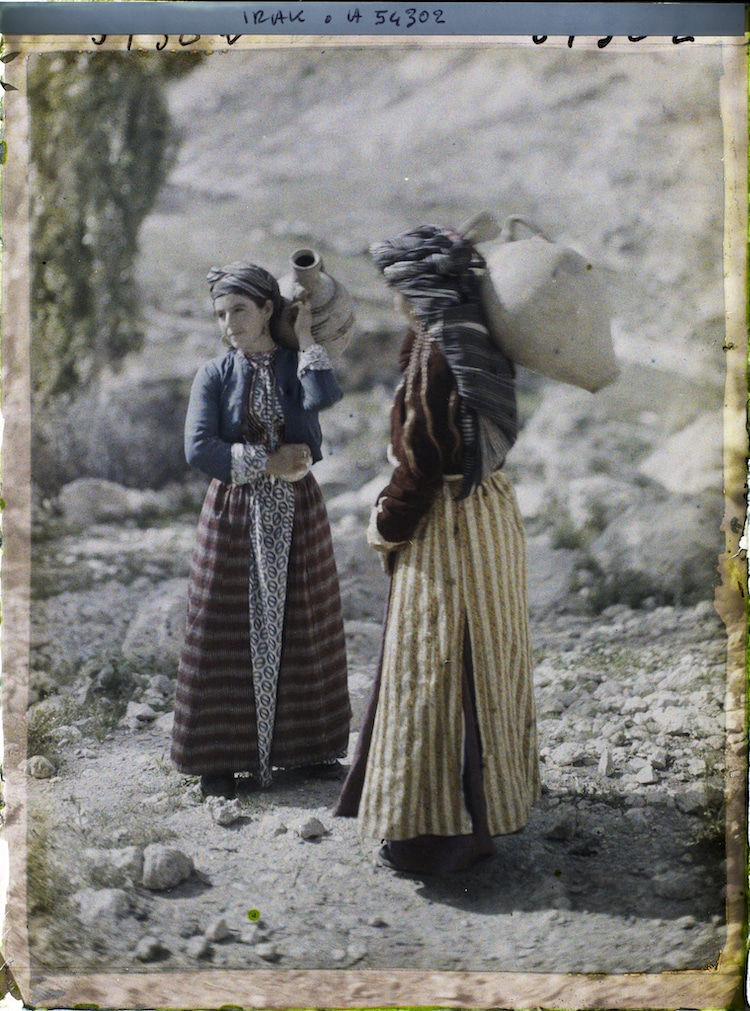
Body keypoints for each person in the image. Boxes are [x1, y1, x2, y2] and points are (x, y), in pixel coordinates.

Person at [334, 224, 540, 875]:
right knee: (484, 657)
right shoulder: (480, 339)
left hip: (447, 526)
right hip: (490, 519)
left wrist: (387, 525)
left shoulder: (435, 351)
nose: (394, 301)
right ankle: (490, 807)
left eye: (399, 288)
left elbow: (420, 465)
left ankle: (437, 831)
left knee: (438, 668)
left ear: (421, 288)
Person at [171, 261, 351, 799]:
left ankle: (308, 749)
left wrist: (301, 340)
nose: (229, 323)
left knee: (304, 619)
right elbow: (198, 448)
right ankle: (220, 761)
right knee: (221, 623)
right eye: (221, 315)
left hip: (298, 508)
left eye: (240, 311)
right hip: (234, 512)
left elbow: (323, 400)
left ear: (267, 309)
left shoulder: (297, 363)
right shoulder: (214, 375)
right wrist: (266, 462)